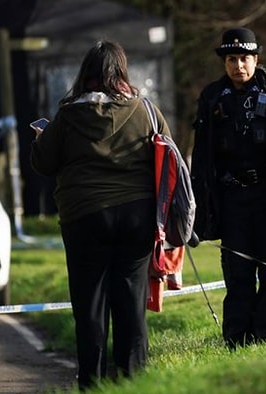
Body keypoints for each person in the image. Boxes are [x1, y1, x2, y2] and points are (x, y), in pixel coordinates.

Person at [30, 40, 172, 390]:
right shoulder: (145, 110)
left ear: (86, 72)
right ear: (121, 70)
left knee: (90, 303)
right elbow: (168, 154)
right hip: (136, 216)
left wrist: (41, 138)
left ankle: (91, 383)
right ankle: (131, 381)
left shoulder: (68, 114)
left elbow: (44, 163)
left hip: (84, 216)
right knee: (130, 300)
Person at [190, 27, 266, 350]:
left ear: (256, 59)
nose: (238, 65)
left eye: (244, 58)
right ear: (224, 62)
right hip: (231, 199)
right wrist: (196, 201)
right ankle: (237, 341)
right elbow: (201, 156)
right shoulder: (212, 99)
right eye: (231, 59)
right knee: (238, 274)